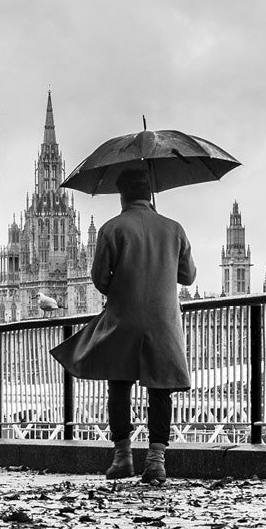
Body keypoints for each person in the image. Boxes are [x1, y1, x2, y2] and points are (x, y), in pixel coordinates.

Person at [51, 168, 194, 484]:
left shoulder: (111, 229)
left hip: (123, 318)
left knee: (118, 386)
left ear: (122, 196)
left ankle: (122, 457)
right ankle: (156, 461)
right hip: (163, 322)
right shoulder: (174, 229)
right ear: (149, 194)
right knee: (161, 390)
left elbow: (100, 278)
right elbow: (188, 276)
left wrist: (123, 284)